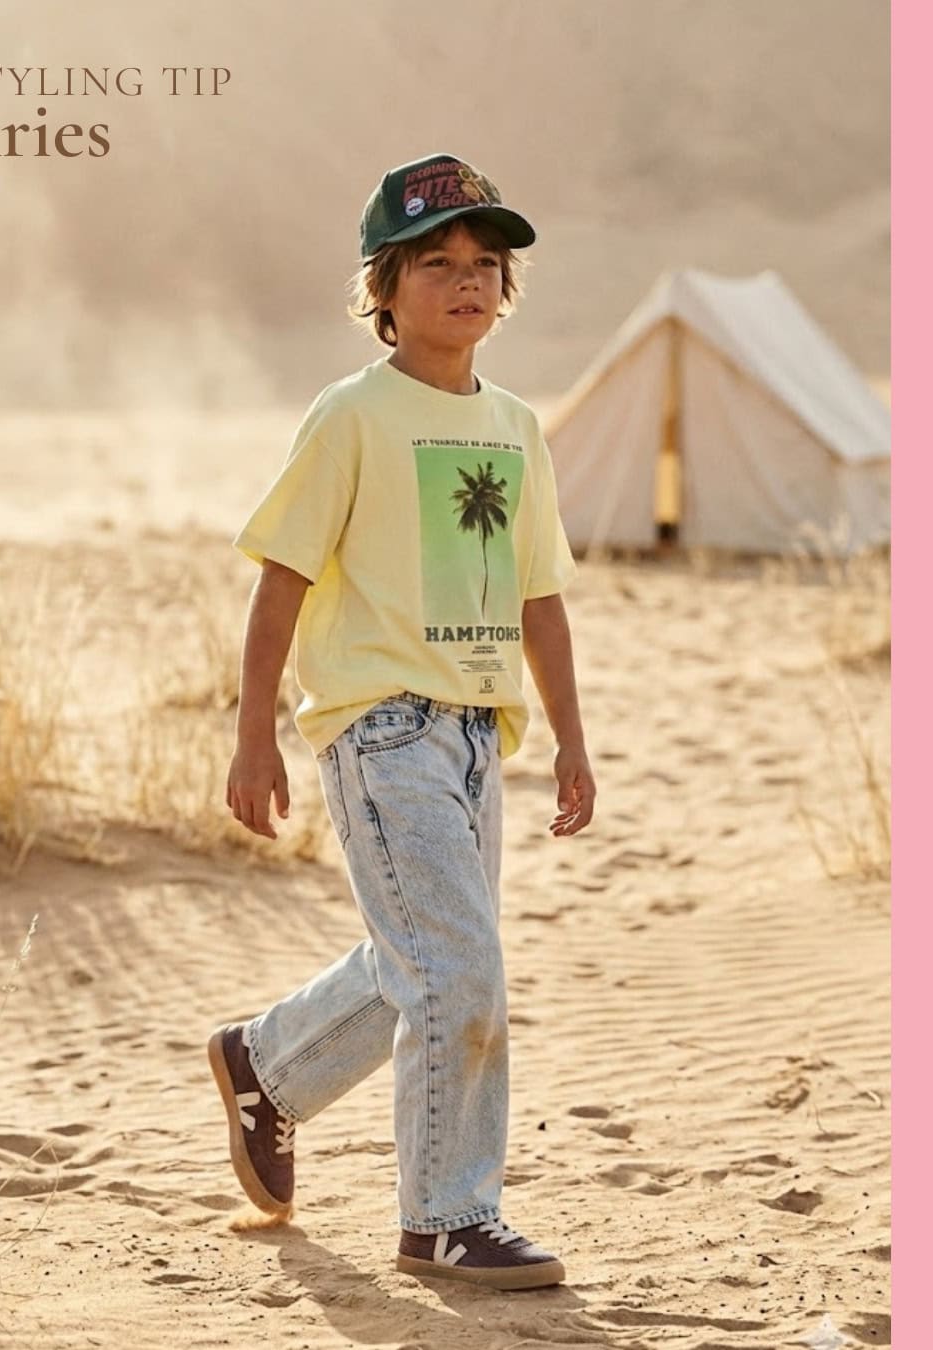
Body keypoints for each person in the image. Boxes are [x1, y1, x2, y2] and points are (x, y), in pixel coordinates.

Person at [208, 152, 596, 1291]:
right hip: (378, 730)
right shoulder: (352, 416)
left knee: (424, 960)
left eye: (485, 264)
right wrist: (252, 735)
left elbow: (539, 596)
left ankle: (264, 1067)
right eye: (437, 263)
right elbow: (280, 579)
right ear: (386, 288)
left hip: (480, 736)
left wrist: (570, 737)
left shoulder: (518, 426)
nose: (466, 282)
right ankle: (446, 1216)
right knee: (459, 968)